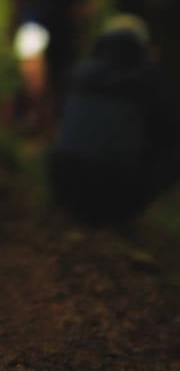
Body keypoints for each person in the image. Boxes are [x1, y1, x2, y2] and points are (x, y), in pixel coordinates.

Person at [46, 14, 180, 225]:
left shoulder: (77, 72)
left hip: (64, 187)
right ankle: (127, 216)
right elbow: (168, 135)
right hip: (116, 195)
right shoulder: (149, 79)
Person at [7, 0, 95, 136]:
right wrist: (12, 28)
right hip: (32, 29)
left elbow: (85, 2)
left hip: (62, 34)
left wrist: (79, 27)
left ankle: (60, 127)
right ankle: (33, 120)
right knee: (32, 74)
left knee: (62, 79)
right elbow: (15, 2)